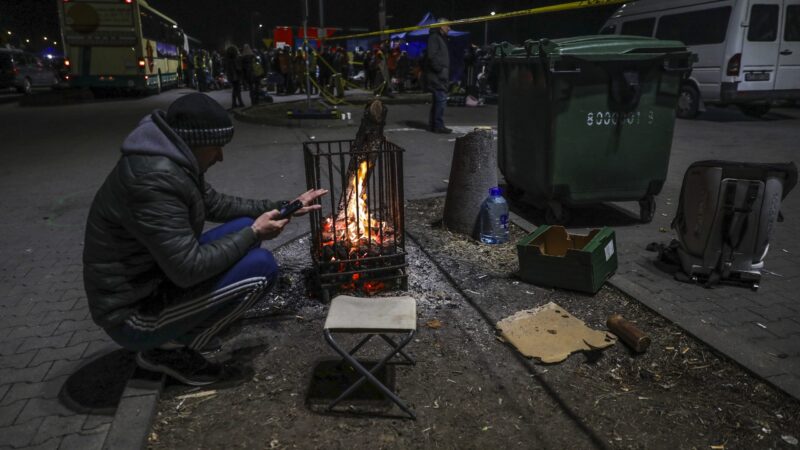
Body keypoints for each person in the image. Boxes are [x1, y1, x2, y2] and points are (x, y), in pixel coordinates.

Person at [82, 93, 327, 386]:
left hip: (153, 283)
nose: (221, 157)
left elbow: (218, 205)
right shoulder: (153, 180)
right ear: (194, 142)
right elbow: (188, 270)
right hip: (131, 315)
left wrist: (288, 205)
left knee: (244, 225)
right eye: (216, 148)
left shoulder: (173, 160)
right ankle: (167, 351)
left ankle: (177, 337)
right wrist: (254, 234)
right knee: (261, 269)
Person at [424, 18, 452, 134]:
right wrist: (439, 70)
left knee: (437, 101)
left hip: (438, 75)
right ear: (441, 26)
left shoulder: (438, 37)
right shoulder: (435, 38)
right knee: (440, 100)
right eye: (448, 25)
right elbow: (432, 56)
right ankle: (438, 126)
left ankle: (434, 125)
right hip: (437, 76)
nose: (449, 28)